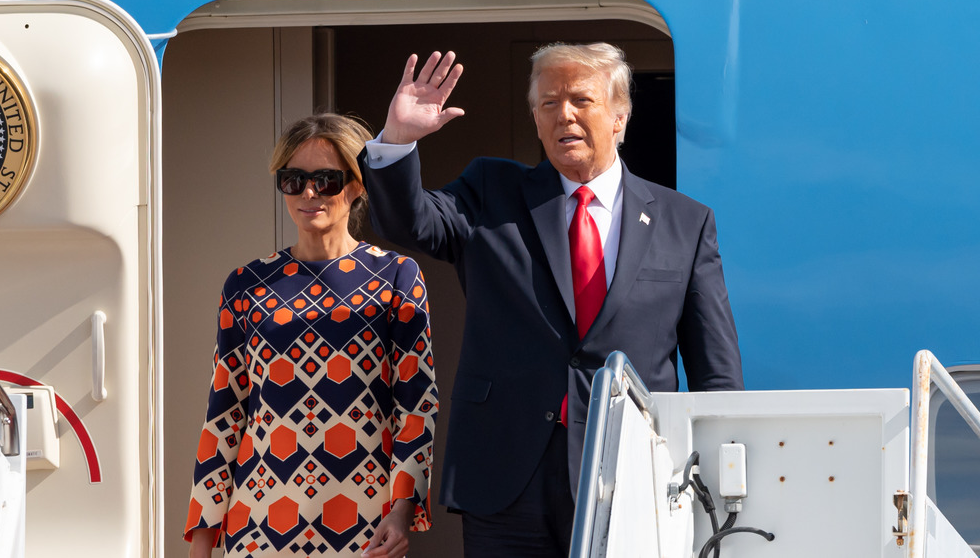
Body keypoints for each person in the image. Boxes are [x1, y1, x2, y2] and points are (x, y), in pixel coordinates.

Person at [359, 43, 744, 557]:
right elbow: (412, 224)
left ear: (620, 118)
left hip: (633, 474)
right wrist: (399, 140)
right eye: (548, 103)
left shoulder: (684, 222)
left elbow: (714, 369)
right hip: (507, 477)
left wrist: (723, 479)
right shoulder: (490, 190)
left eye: (581, 100)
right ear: (536, 122)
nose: (564, 114)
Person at [184, 113, 439, 558]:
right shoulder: (246, 285)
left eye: (326, 180)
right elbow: (224, 416)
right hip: (257, 525)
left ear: (358, 185)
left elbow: (416, 407)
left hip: (364, 524)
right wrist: (202, 543)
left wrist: (402, 510)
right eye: (293, 180)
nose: (308, 193)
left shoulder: (396, 277)